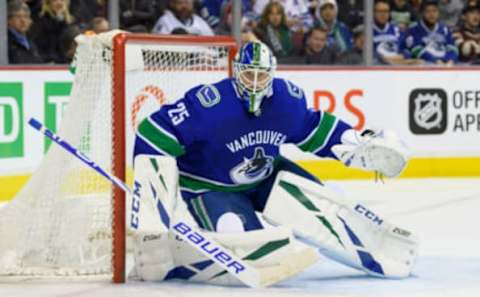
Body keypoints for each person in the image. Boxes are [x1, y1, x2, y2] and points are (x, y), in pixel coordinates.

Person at [130, 41, 418, 285]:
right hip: (210, 186)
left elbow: (315, 129)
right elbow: (152, 134)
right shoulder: (210, 105)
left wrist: (355, 142)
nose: (255, 84)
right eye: (248, 76)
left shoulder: (285, 101)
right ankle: (174, 262)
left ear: (272, 74)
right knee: (236, 234)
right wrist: (151, 203)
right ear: (236, 74)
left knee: (327, 202)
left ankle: (373, 247)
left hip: (266, 176)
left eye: (262, 76)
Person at [404, 0, 459, 65]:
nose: (432, 14)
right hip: (427, 64)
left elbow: (453, 48)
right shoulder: (414, 29)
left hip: (446, 62)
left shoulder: (444, 29)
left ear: (438, 13)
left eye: (434, 11)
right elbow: (416, 50)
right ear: (422, 13)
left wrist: (451, 60)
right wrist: (435, 61)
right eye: (428, 11)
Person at [373, 0, 423, 65]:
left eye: (386, 11)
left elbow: (407, 52)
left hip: (397, 66)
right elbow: (371, 56)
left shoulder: (396, 30)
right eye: (380, 11)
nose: (383, 14)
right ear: (373, 13)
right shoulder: (367, 31)